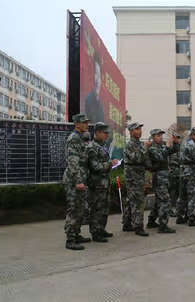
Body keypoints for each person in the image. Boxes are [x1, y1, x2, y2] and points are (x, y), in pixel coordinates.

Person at [63, 114, 91, 250]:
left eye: (87, 122)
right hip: (74, 180)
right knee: (74, 209)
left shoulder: (79, 138)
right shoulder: (74, 138)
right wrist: (78, 180)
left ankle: (76, 233)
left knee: (80, 209)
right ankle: (70, 239)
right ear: (77, 124)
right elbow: (73, 162)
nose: (86, 125)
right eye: (84, 123)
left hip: (80, 178)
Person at [86, 122, 117, 242]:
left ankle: (101, 229)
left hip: (104, 183)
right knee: (96, 208)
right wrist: (110, 163)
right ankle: (95, 232)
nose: (106, 135)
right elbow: (95, 167)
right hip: (96, 184)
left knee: (104, 208)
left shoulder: (102, 146)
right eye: (105, 133)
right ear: (97, 132)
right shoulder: (92, 147)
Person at [147, 129, 179, 233]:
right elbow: (159, 157)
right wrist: (167, 146)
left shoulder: (161, 146)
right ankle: (163, 225)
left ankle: (151, 221)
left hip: (164, 176)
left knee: (158, 201)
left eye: (161, 135)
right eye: (158, 135)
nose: (161, 137)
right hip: (159, 176)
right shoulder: (152, 148)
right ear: (153, 137)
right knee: (165, 200)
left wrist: (175, 142)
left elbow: (173, 150)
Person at [123, 122, 151, 236]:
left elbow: (145, 161)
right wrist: (145, 148)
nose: (139, 131)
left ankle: (127, 224)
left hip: (139, 176)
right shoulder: (130, 145)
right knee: (138, 202)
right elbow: (137, 159)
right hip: (133, 177)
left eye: (140, 129)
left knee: (131, 201)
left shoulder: (139, 144)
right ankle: (138, 226)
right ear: (131, 131)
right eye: (137, 129)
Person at [84, 54, 105, 123]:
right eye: (95, 74)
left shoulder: (101, 104)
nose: (97, 79)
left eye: (99, 76)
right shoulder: (88, 100)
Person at [168, 133, 182, 218]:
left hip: (179, 172)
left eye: (178, 138)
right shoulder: (170, 147)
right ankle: (170, 209)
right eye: (176, 138)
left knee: (178, 191)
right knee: (171, 192)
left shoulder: (180, 147)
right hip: (172, 172)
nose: (177, 139)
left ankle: (177, 208)